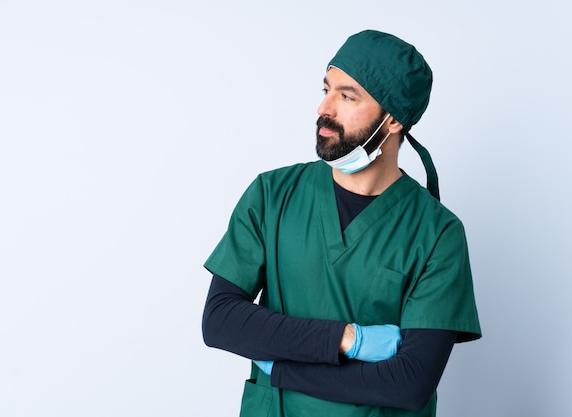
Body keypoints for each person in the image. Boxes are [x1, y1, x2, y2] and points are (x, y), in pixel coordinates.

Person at [202, 29, 481, 417]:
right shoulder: (272, 195)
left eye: (347, 96)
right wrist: (348, 339)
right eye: (326, 90)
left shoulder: (437, 233)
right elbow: (221, 321)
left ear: (393, 119)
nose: (324, 108)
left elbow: (410, 383)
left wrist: (282, 369)